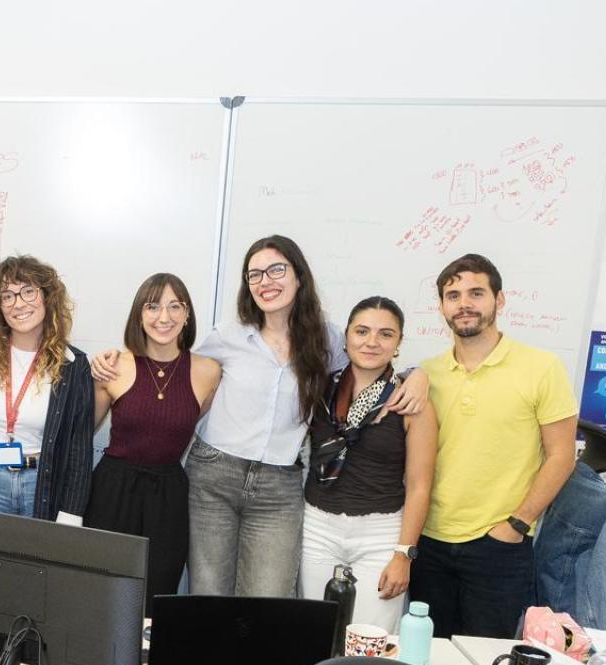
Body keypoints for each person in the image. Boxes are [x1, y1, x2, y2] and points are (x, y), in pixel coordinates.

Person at [177, 235, 426, 598]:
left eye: (277, 270)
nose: (266, 281)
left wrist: (417, 374)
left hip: (278, 487)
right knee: (207, 594)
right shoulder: (228, 336)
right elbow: (176, 370)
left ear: (299, 276)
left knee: (268, 601)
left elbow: (371, 361)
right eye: (255, 274)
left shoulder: (327, 339)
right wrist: (121, 361)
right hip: (214, 475)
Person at [412, 253, 576, 638]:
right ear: (441, 307)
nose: (464, 304)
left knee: (486, 660)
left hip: (499, 545)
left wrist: (517, 524)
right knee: (427, 657)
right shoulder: (429, 373)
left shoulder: (542, 367)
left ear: (499, 300)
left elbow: (562, 455)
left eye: (476, 293)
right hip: (430, 542)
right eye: (453, 295)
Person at [298, 296, 437, 630]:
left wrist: (404, 554)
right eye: (362, 331)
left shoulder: (410, 401)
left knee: (370, 641)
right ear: (346, 337)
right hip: (318, 528)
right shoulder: (318, 389)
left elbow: (419, 486)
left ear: (398, 343)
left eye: (385, 334)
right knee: (314, 634)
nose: (372, 342)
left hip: (381, 534)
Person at [85, 273, 220, 615]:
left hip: (168, 497)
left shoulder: (208, 371)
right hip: (113, 492)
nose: (164, 317)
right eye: (153, 306)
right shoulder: (113, 366)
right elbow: (83, 430)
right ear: (139, 314)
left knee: (157, 598)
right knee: (102, 595)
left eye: (175, 306)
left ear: (187, 315)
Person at [0, 255, 93, 520]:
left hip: (41, 486)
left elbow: (79, 448)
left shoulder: (72, 364)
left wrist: (71, 513)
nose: (18, 303)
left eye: (28, 291)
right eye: (7, 296)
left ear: (47, 297)